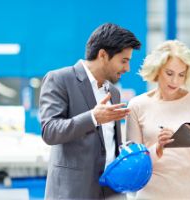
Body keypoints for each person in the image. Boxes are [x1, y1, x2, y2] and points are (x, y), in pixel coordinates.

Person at [39, 23, 141, 199]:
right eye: (123, 61)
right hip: (73, 193)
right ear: (103, 55)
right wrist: (93, 117)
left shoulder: (113, 92)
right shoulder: (60, 79)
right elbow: (50, 131)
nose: (127, 68)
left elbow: (107, 145)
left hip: (111, 192)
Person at [126, 40, 190, 199]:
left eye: (181, 75)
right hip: (151, 194)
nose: (175, 81)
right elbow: (134, 162)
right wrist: (158, 147)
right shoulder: (137, 105)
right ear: (157, 70)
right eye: (169, 73)